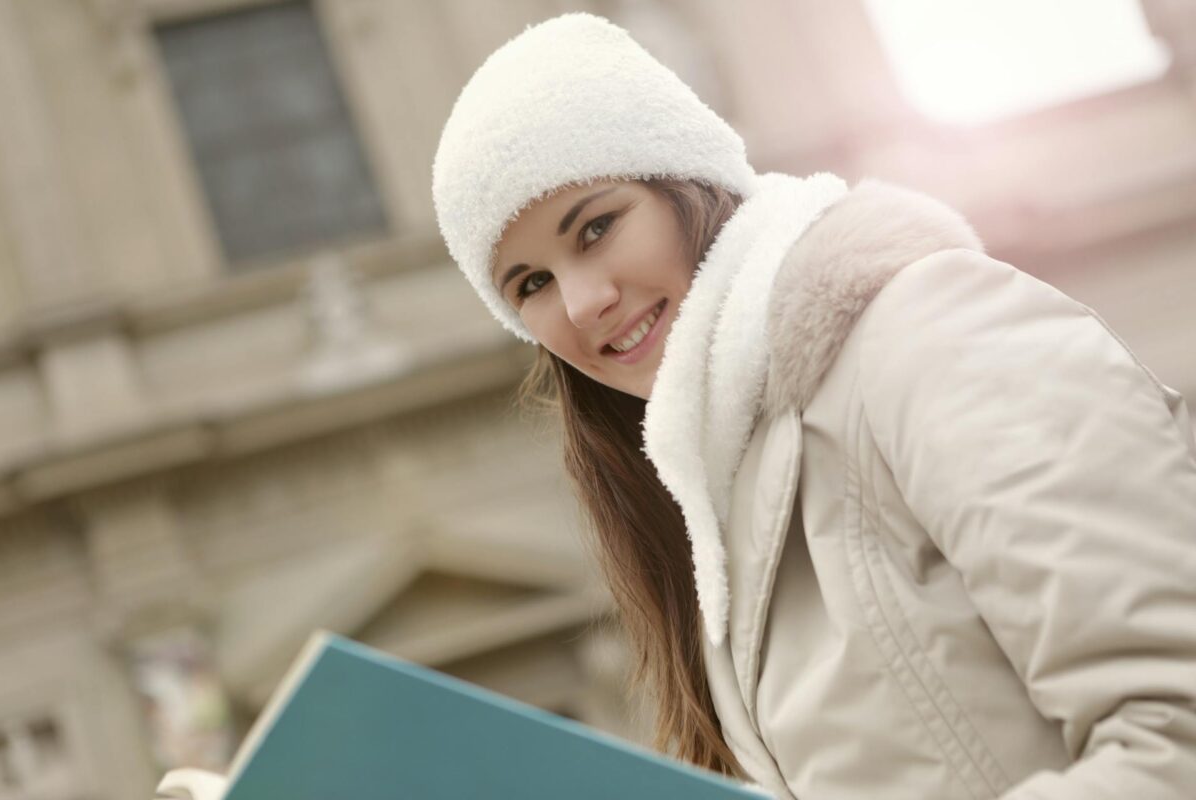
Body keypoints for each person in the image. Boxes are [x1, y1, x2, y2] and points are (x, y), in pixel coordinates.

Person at [159, 11, 1196, 800]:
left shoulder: (930, 332)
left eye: (596, 225)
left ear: (687, 181)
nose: (582, 301)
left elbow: (1174, 723)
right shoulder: (713, 503)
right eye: (527, 284)